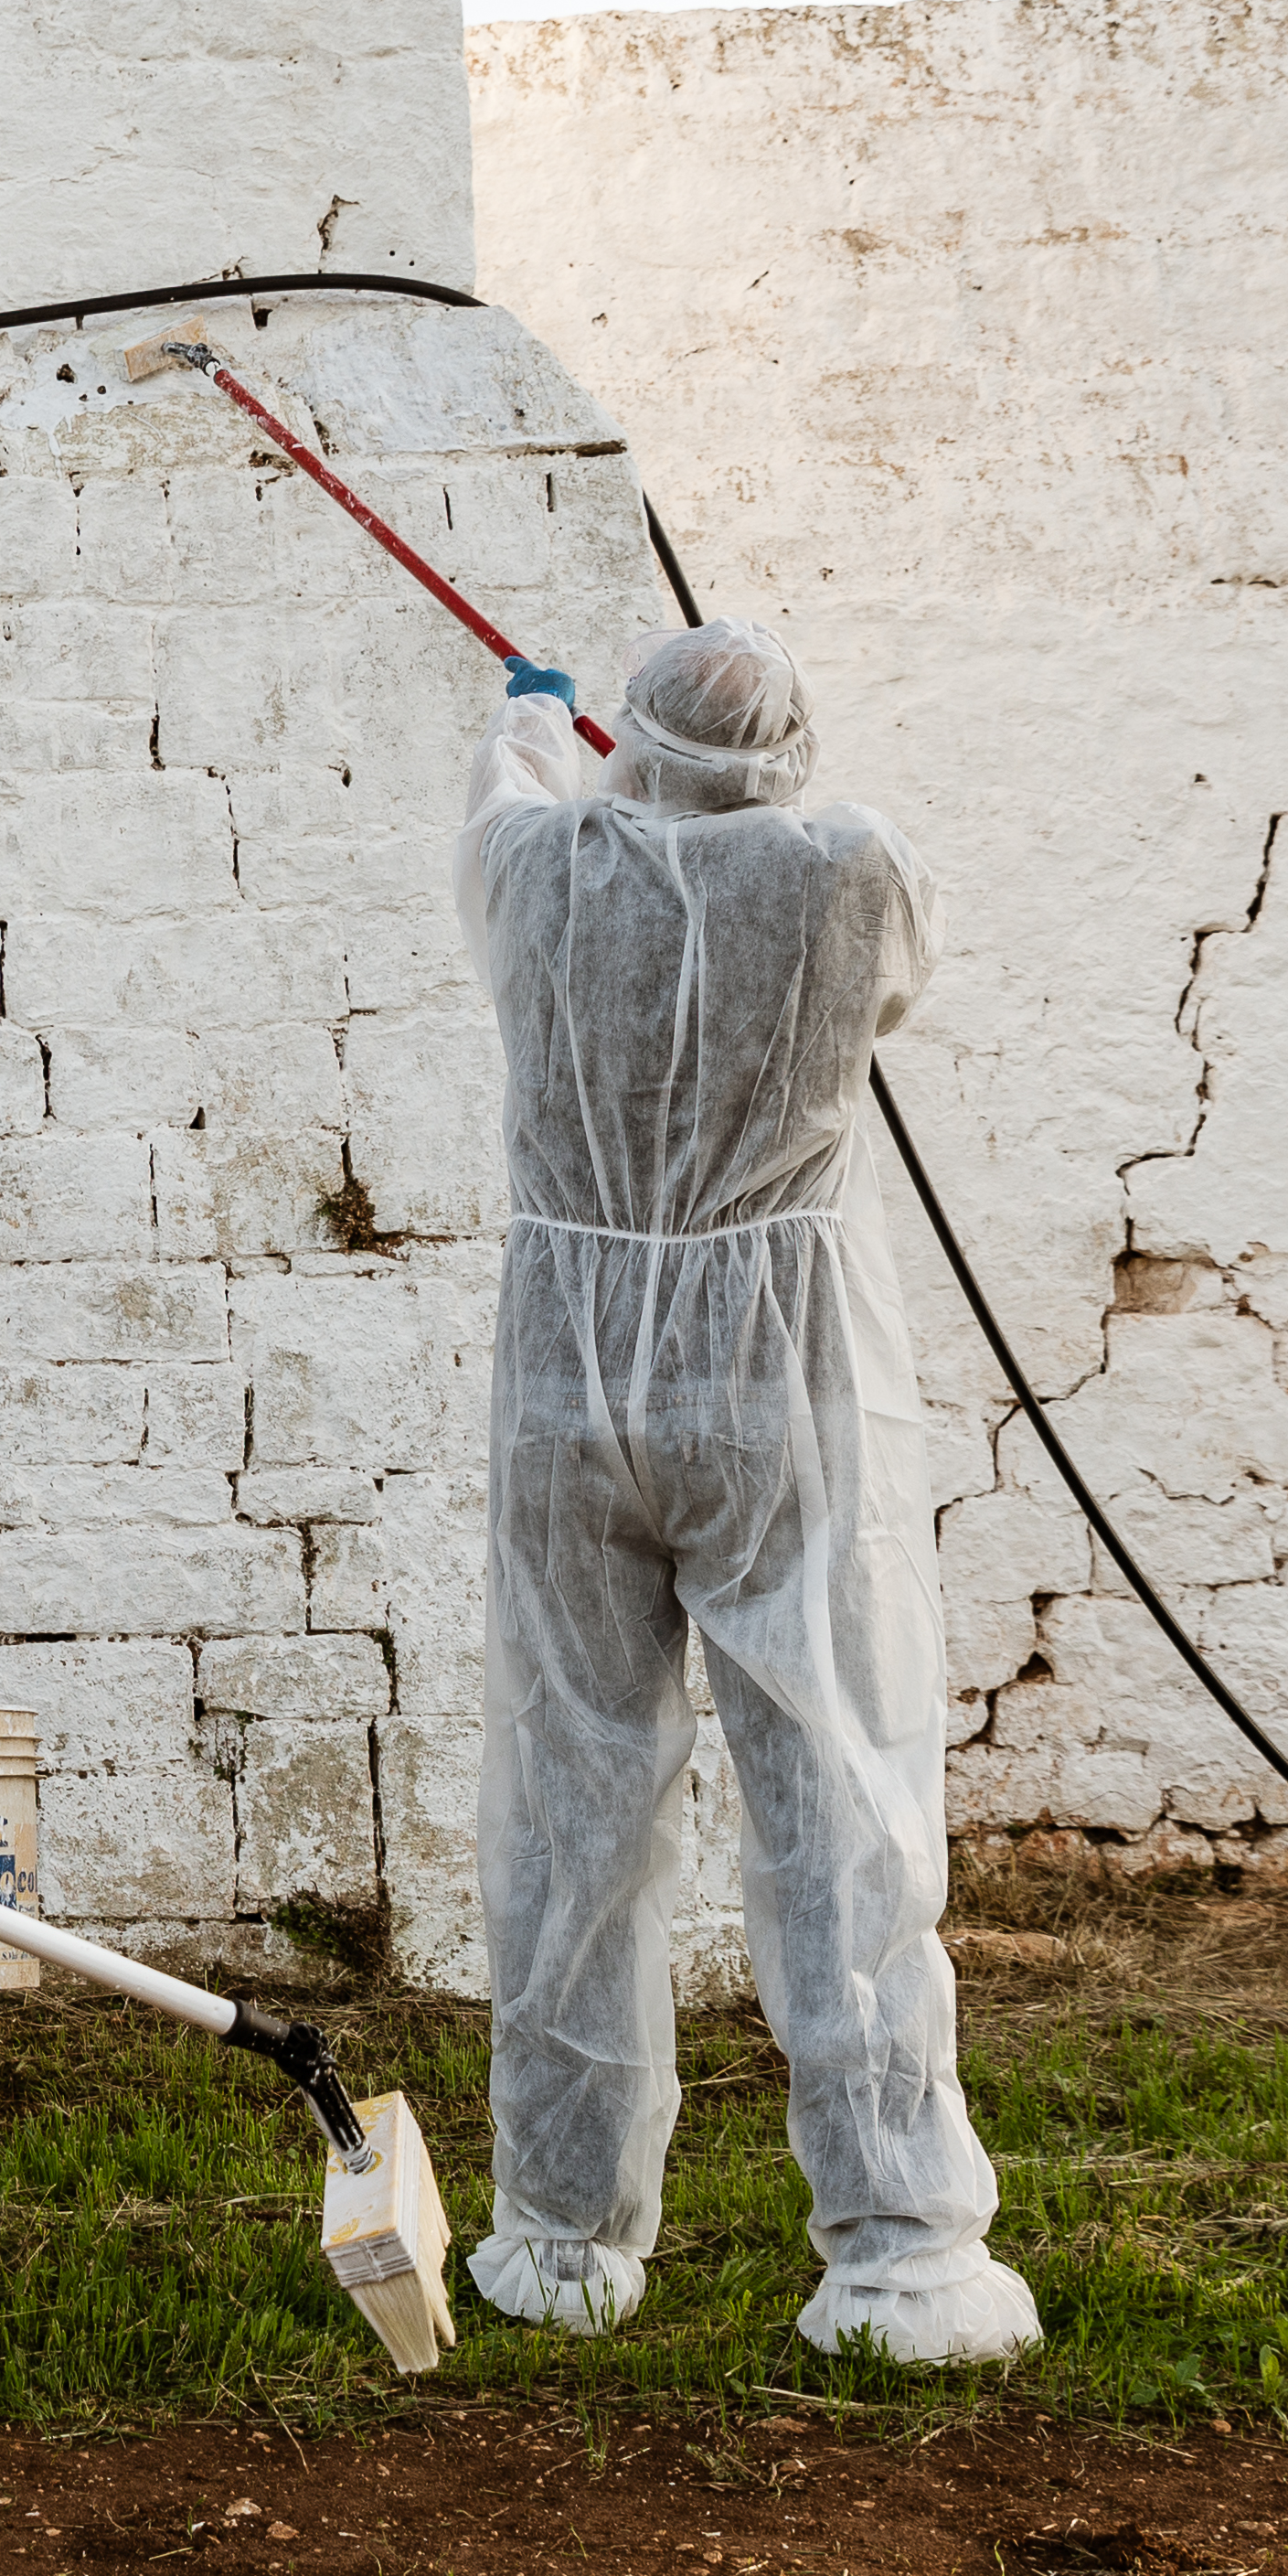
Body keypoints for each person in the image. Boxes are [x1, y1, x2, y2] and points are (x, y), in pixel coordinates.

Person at [452, 621, 1039, 2368]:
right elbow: (874, 938)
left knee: (572, 1796)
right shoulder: (852, 867)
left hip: (568, 1375)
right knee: (836, 1793)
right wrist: (640, 761)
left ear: (628, 744)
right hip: (779, 1375)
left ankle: (558, 2241)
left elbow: (514, 800)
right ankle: (897, 2253)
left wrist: (542, 731)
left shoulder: (531, 865)